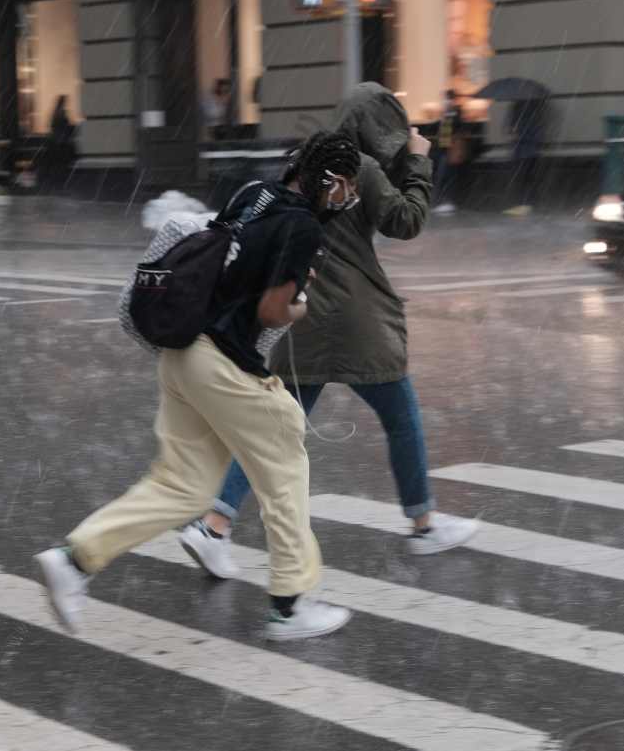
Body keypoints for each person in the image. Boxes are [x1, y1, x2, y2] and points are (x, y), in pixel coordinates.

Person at [36, 132, 365, 642]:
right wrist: (302, 305)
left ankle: (75, 559)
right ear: (330, 181)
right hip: (224, 360)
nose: (345, 199)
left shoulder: (254, 194)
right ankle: (292, 604)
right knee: (284, 462)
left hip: (183, 352)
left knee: (182, 483)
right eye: (345, 188)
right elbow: (272, 310)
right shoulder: (302, 227)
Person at [179, 83, 480, 580]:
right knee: (401, 417)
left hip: (300, 309)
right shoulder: (361, 166)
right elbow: (405, 221)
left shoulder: (308, 160)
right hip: (355, 319)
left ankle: (214, 526)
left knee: (272, 429)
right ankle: (424, 524)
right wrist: (420, 161)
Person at [504, 98, 546, 217]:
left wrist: (516, 135)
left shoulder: (521, 116)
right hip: (531, 153)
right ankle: (531, 204)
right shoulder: (535, 114)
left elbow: (523, 135)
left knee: (523, 180)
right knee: (529, 179)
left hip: (522, 153)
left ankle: (525, 204)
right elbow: (538, 135)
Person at [431, 89, 462, 215]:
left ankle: (447, 202)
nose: (444, 101)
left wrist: (447, 114)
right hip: (443, 149)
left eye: (446, 98)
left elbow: (455, 128)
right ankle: (443, 201)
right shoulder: (447, 113)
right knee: (441, 175)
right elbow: (440, 128)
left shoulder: (454, 113)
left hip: (449, 149)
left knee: (445, 175)